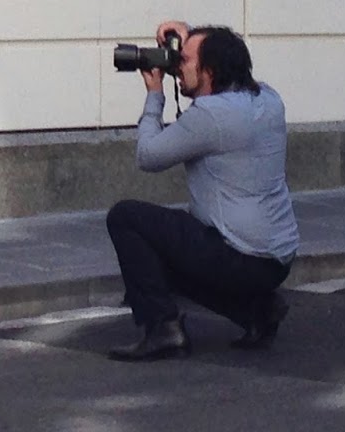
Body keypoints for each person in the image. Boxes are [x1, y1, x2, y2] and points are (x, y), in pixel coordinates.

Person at [105, 21, 300, 362]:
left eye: (183, 60)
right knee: (166, 252)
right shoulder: (269, 98)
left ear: (209, 70)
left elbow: (148, 156)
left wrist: (154, 95)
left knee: (126, 218)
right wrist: (187, 31)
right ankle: (256, 310)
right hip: (276, 260)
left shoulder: (211, 116)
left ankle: (163, 329)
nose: (176, 67)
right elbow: (223, 50)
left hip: (240, 258)